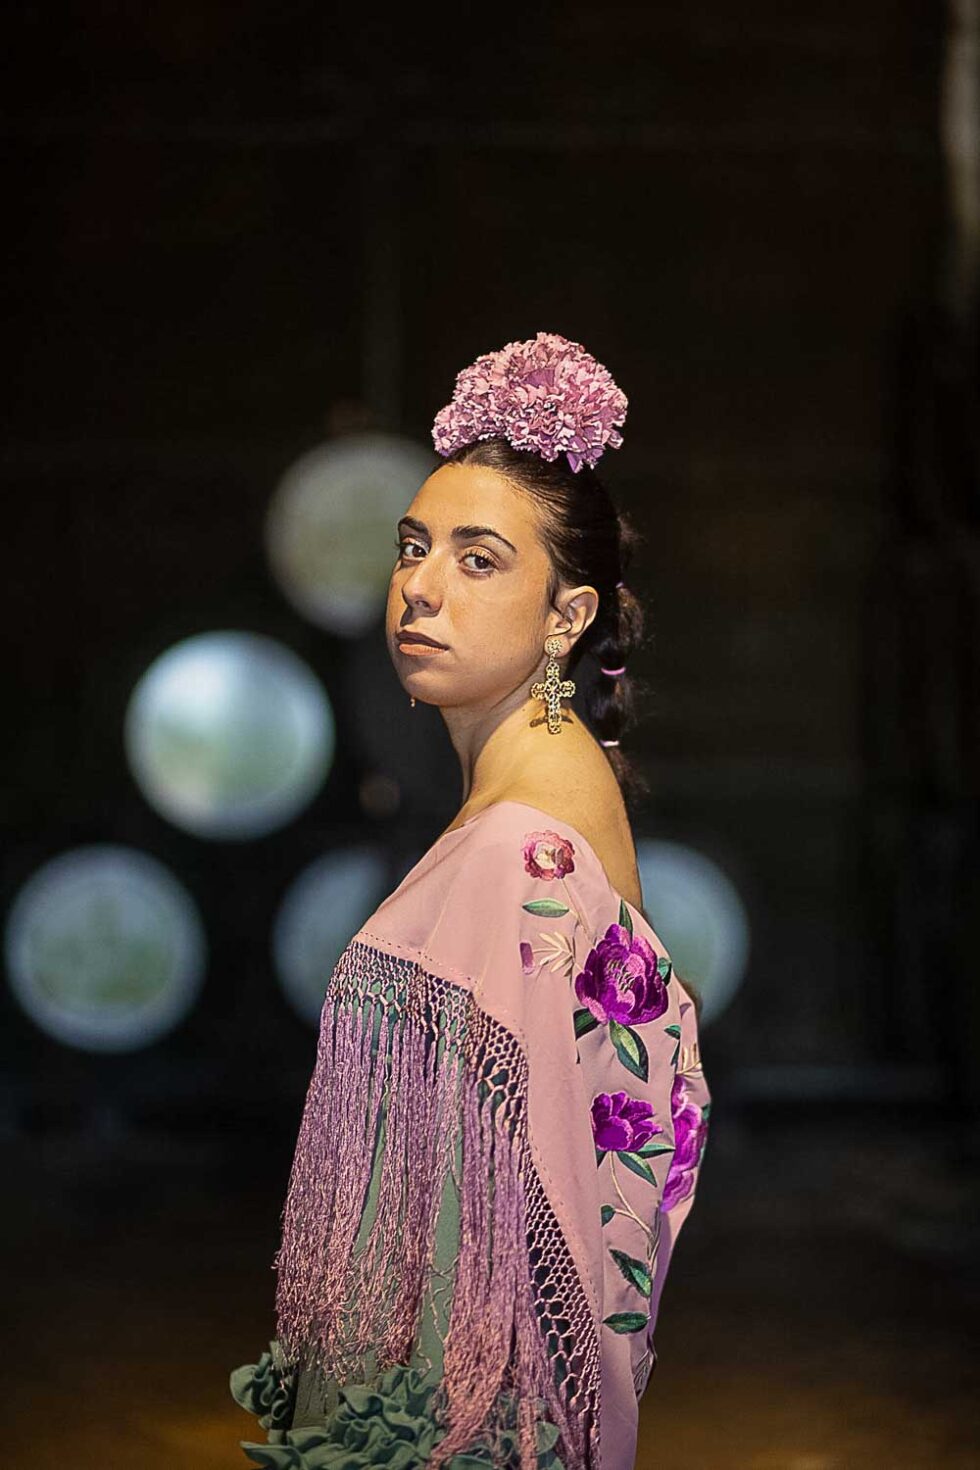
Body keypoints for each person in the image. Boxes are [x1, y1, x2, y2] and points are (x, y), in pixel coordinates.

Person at [229, 332, 711, 1470]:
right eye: (413, 547)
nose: (421, 584)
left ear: (565, 615)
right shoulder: (538, 803)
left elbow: (501, 1247)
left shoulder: (519, 853)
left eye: (479, 559)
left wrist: (353, 1440)